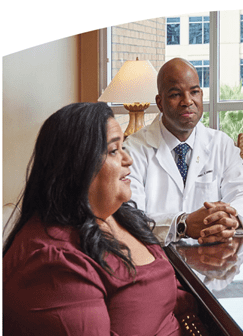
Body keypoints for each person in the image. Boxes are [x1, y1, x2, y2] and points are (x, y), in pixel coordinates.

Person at [3, 102, 197, 335]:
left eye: (123, 147)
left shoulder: (121, 217)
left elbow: (172, 294)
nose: (129, 160)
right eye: (114, 150)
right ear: (77, 163)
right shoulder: (52, 262)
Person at [125, 57, 243, 245]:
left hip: (212, 258)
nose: (187, 101)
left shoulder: (220, 143)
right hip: (155, 256)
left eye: (194, 92)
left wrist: (231, 219)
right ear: (160, 102)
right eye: (175, 94)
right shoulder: (133, 149)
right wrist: (182, 224)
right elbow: (130, 217)